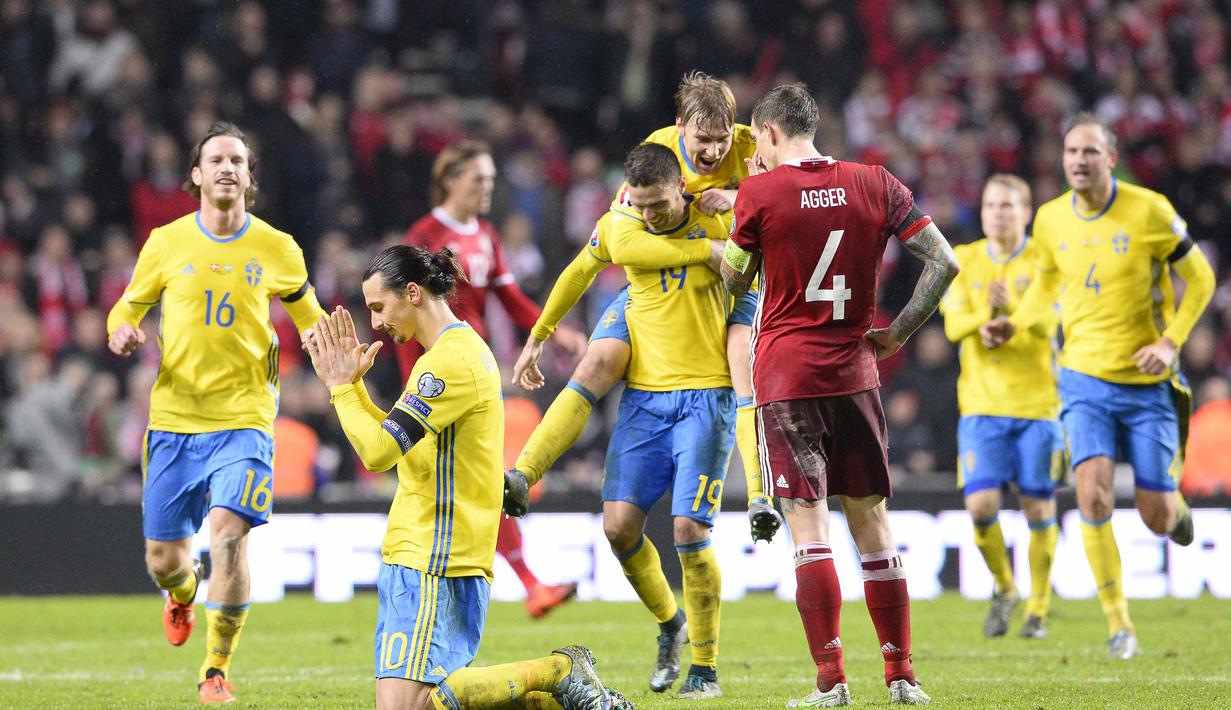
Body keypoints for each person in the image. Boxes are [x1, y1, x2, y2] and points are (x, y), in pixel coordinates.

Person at [303, 245, 631, 710]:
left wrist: (339, 390)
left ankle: (558, 670)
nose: (375, 323)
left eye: (379, 307)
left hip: (432, 559)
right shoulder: (455, 352)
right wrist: (353, 387)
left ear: (412, 293)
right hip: (442, 554)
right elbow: (404, 450)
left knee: (409, 709)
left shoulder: (447, 364)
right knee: (437, 703)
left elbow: (378, 453)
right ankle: (560, 703)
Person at [721, 83, 959, 707]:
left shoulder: (760, 191)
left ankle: (832, 682)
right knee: (873, 525)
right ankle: (903, 675)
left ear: (769, 133)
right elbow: (944, 263)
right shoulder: (874, 181)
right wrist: (897, 332)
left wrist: (749, 199)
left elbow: (732, 275)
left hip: (788, 377)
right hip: (856, 373)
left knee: (811, 531)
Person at [505, 71, 782, 545]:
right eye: (702, 139)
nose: (714, 151)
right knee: (598, 360)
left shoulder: (751, 148)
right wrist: (540, 333)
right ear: (679, 128)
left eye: (721, 139)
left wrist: (740, 199)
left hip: (734, 284)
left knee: (742, 363)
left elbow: (791, 208)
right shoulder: (657, 154)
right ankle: (523, 474)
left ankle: (761, 496)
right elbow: (616, 243)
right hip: (655, 285)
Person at [981, 113, 1216, 659]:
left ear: (1111, 159)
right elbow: (1044, 284)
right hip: (1083, 379)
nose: (1078, 161)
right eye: (1070, 152)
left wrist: (1172, 341)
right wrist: (1015, 320)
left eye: (1089, 152)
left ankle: (1176, 513)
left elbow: (1200, 276)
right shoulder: (1049, 219)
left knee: (1156, 514)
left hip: (1148, 382)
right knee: (1091, 492)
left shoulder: (1150, 210)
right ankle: (1119, 624)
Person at [106, 121, 326, 704]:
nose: (228, 168)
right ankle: (182, 594)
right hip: (175, 420)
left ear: (249, 178)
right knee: (163, 560)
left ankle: (215, 669)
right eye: (217, 160)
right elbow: (125, 309)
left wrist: (334, 356)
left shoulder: (278, 248)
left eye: (239, 161)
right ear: (197, 176)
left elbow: (310, 321)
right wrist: (122, 331)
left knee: (230, 536)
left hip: (246, 418)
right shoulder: (166, 242)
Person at [517, 142, 739, 699]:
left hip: (705, 382)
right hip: (647, 383)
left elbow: (766, 225)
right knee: (617, 527)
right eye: (640, 205)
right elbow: (579, 269)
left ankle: (705, 668)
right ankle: (670, 623)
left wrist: (730, 231)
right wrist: (540, 334)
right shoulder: (624, 223)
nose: (650, 215)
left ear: (681, 186)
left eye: (659, 205)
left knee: (689, 532)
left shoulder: (722, 198)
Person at [396, 139, 587, 619]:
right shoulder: (424, 235)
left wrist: (554, 333)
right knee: (470, 482)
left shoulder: (485, 236)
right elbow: (403, 313)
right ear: (450, 180)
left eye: (490, 180)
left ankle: (515, 584)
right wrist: (409, 388)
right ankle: (522, 582)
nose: (486, 188)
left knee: (474, 482)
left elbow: (511, 298)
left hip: (476, 370)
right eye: (478, 179)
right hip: (439, 378)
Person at [940, 174, 1064, 639]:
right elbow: (953, 325)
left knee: (1037, 507)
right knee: (980, 504)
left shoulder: (1044, 260)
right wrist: (985, 321)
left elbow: (1052, 318)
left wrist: (1011, 316)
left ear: (1026, 212)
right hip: (981, 406)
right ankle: (1006, 586)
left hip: (1037, 405)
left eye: (1008, 206)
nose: (998, 213)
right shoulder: (965, 259)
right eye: (991, 205)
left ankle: (1038, 606)